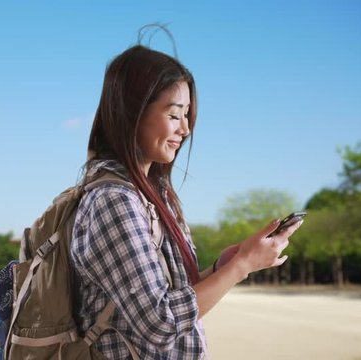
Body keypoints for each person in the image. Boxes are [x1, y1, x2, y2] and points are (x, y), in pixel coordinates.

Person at [70, 44, 303, 359]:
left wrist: (224, 266)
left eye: (187, 115)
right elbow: (160, 323)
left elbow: (174, 300)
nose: (186, 128)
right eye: (174, 114)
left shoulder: (153, 195)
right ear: (132, 112)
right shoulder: (114, 200)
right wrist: (241, 265)